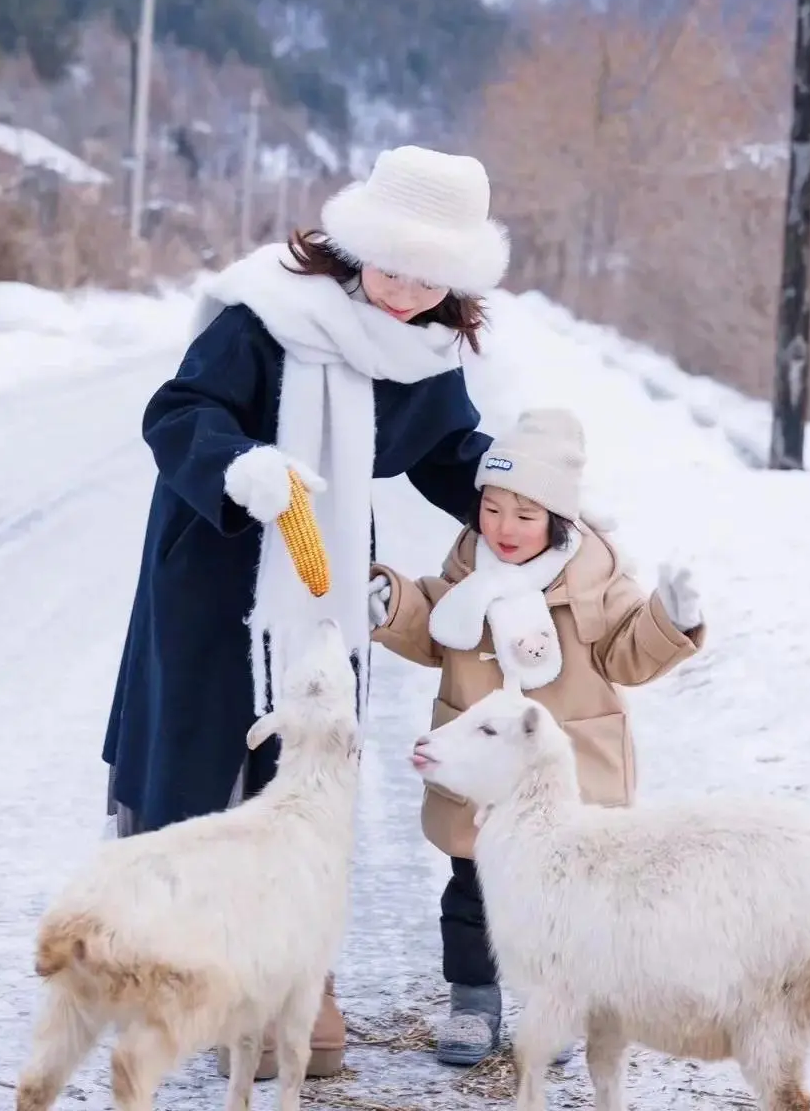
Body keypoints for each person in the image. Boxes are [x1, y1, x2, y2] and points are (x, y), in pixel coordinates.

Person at [101, 144, 510, 1079]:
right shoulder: (267, 316)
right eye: (394, 263)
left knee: (310, 765)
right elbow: (178, 411)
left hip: (323, 579)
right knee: (206, 765)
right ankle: (190, 973)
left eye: (432, 276)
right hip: (219, 561)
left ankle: (296, 976)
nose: (407, 290)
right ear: (359, 241)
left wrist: (517, 490)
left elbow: (447, 450)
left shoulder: (426, 347)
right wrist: (240, 465)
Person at [368, 408, 707, 1068]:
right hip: (481, 769)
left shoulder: (595, 576)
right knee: (472, 885)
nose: (502, 529)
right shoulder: (469, 565)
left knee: (561, 900)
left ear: (557, 519)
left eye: (523, 516)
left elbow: (626, 655)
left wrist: (673, 617)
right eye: (491, 510)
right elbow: (436, 626)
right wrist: (395, 604)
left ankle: (552, 1005)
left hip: (565, 770)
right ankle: (473, 1001)